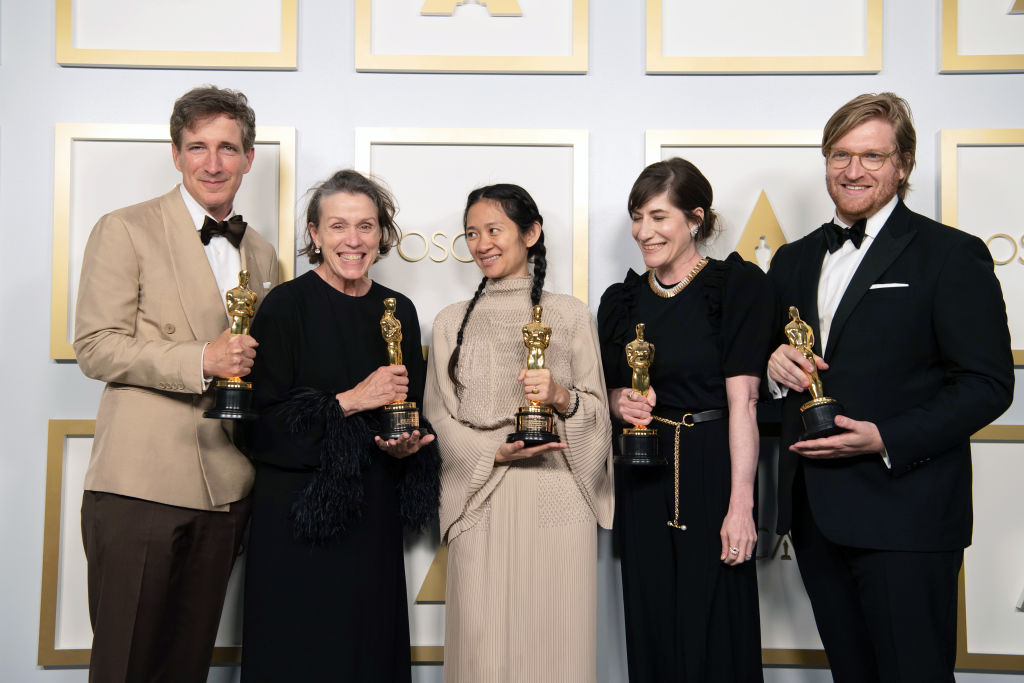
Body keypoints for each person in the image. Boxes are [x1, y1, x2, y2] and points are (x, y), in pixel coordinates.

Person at [766, 92, 1014, 682]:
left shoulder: (951, 254)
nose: (853, 170)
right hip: (816, 515)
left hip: (908, 513)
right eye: (841, 155)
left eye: (872, 157)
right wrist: (775, 368)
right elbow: (779, 366)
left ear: (902, 166)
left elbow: (987, 384)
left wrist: (886, 438)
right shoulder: (792, 261)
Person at [73, 85, 278, 682]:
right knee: (126, 667)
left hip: (226, 489)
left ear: (249, 158)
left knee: (186, 668)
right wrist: (202, 359)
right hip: (139, 485)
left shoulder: (261, 253)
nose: (212, 163)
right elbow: (95, 345)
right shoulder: (125, 228)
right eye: (197, 147)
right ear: (175, 154)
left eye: (227, 148)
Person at [239, 169, 439, 683]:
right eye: (338, 226)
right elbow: (257, 429)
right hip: (297, 522)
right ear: (314, 233)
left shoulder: (399, 310)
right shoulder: (285, 306)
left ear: (381, 233)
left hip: (372, 519)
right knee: (298, 657)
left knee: (369, 652)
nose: (353, 240)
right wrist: (352, 400)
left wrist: (406, 447)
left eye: (366, 226)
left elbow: (408, 411)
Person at [424, 184, 613, 682]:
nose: (481, 243)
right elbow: (438, 418)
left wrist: (560, 397)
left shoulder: (570, 314)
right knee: (481, 651)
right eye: (471, 233)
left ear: (531, 234)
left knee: (558, 645)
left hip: (558, 496)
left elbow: (597, 413)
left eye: (494, 230)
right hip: (479, 496)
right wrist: (494, 450)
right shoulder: (448, 322)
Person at [597, 158, 774, 682]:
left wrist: (741, 506)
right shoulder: (621, 301)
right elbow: (606, 391)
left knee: (716, 625)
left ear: (695, 219)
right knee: (651, 620)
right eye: (637, 218)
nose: (643, 232)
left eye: (658, 217)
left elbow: (745, 401)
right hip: (642, 475)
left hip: (711, 469)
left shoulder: (735, 286)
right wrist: (620, 402)